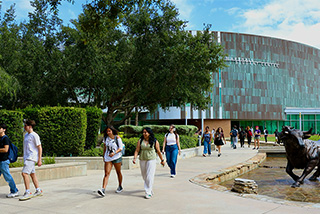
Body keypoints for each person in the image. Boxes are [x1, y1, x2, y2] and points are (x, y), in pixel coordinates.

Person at [133, 127, 165, 199]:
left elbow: (158, 151)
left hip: (151, 159)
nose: (144, 134)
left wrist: (162, 160)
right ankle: (150, 188)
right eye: (143, 132)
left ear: (149, 133)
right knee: (144, 176)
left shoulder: (154, 141)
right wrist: (134, 158)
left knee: (149, 175)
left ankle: (148, 192)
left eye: (146, 132)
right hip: (142, 159)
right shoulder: (140, 140)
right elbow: (137, 150)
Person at [20, 119, 43, 201]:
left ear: (30, 126)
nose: (24, 127)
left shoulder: (34, 135)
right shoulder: (26, 135)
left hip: (31, 157)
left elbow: (39, 147)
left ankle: (28, 192)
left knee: (24, 173)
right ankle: (38, 190)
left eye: (25, 125)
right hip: (27, 157)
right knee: (32, 174)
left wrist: (39, 159)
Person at [97, 126, 124, 197]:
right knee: (106, 173)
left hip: (117, 157)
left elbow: (120, 148)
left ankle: (120, 185)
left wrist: (114, 153)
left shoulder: (117, 138)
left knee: (118, 172)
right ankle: (103, 189)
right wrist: (104, 156)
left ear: (112, 131)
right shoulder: (106, 138)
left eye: (109, 131)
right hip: (108, 158)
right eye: (107, 131)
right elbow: (105, 147)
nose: (108, 132)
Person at [0, 123, 19, 198]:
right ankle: (14, 190)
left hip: (4, 161)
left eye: (0, 128)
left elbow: (5, 149)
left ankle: (14, 191)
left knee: (7, 176)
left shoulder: (5, 139)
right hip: (0, 160)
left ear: (4, 129)